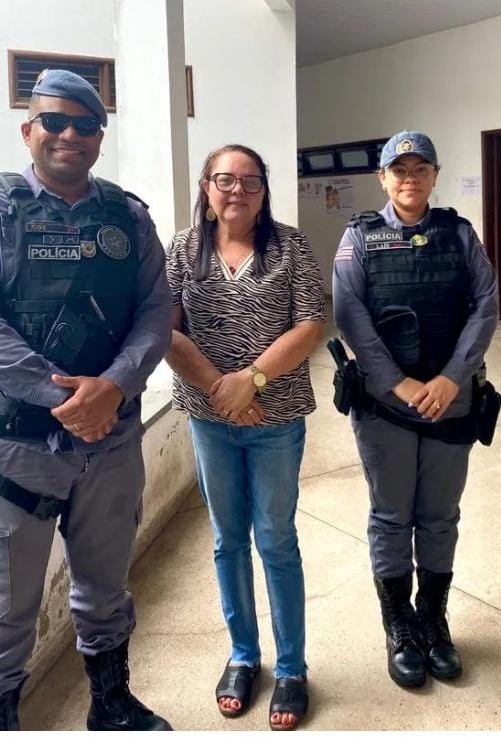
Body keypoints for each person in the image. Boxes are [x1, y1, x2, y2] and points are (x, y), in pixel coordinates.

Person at [0, 69, 174, 731]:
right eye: (55, 121)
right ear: (29, 130)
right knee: (6, 608)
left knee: (106, 586)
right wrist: (64, 396)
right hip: (20, 448)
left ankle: (111, 705)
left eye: (86, 124)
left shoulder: (129, 217)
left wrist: (114, 387)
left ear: (100, 136)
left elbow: (155, 313)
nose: (70, 134)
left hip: (112, 441)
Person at [165, 144, 325, 731]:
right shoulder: (183, 249)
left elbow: (311, 323)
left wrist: (251, 380)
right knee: (228, 539)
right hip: (210, 419)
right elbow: (164, 328)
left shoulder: (291, 246)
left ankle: (291, 668)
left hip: (276, 419)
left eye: (250, 180)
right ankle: (242, 656)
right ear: (206, 187)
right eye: (225, 179)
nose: (237, 190)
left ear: (264, 190)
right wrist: (222, 391)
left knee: (276, 540)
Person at [332, 130, 498, 690]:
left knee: (440, 515)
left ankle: (433, 618)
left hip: (453, 402)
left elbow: (485, 306)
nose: (409, 178)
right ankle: (399, 625)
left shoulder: (460, 234)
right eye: (398, 169)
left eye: (420, 168)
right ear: (382, 178)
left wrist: (451, 378)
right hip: (386, 406)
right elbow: (350, 316)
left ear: (434, 175)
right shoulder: (358, 238)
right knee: (391, 515)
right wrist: (398, 383)